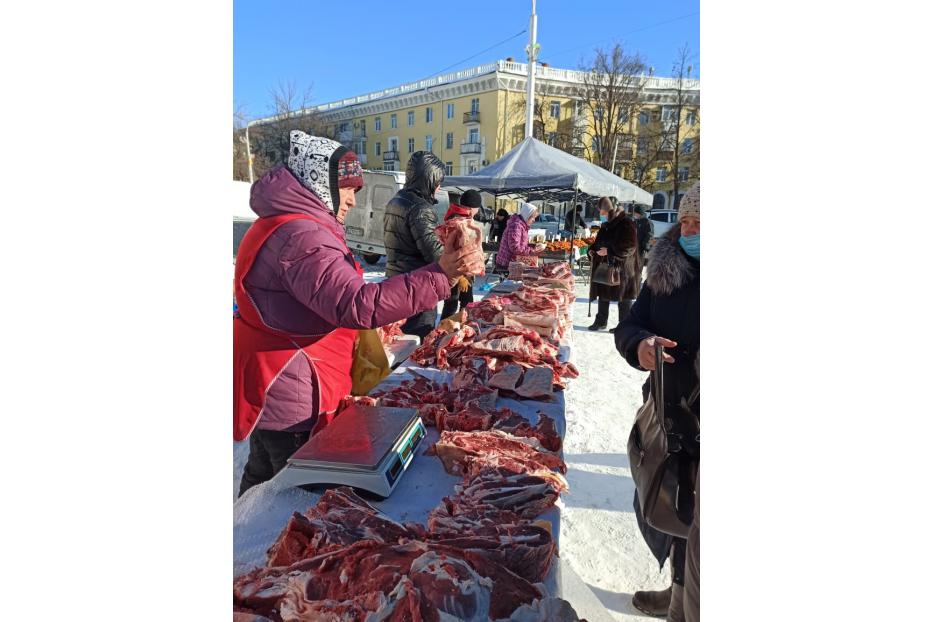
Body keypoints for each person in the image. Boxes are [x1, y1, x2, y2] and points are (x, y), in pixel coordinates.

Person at [234, 132, 484, 496]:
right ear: (319, 185)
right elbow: (358, 305)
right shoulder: (300, 236)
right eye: (346, 188)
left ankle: (242, 544)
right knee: (285, 499)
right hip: (295, 386)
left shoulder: (290, 224)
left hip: (288, 379)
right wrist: (442, 273)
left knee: (262, 481)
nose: (353, 198)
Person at [614, 182, 700, 621]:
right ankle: (678, 592)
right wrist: (640, 345)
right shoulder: (665, 270)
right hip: (667, 412)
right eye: (685, 221)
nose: (688, 230)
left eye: (700, 223)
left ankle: (685, 607)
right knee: (671, 504)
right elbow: (630, 323)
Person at [383, 151, 447, 341]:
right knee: (416, 346)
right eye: (438, 181)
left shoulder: (396, 200)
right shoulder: (421, 208)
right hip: (417, 288)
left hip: (394, 281)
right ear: (429, 179)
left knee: (397, 342)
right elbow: (435, 254)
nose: (439, 187)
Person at [587, 197, 641, 332]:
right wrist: (592, 250)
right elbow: (598, 242)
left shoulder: (626, 223)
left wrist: (609, 251)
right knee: (603, 293)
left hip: (623, 268)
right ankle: (601, 321)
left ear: (611, 210)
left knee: (623, 297)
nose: (601, 215)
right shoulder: (606, 225)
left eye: (603, 212)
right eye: (601, 212)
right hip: (606, 266)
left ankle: (624, 325)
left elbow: (630, 247)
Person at [440, 189, 483, 319]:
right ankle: (444, 332)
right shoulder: (460, 221)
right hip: (458, 271)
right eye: (477, 208)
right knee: (454, 304)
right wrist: (462, 277)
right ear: (472, 207)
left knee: (463, 303)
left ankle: (456, 329)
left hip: (461, 271)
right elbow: (457, 249)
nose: (478, 211)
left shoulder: (457, 216)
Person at [494, 201, 546, 272]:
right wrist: (532, 250)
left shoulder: (522, 225)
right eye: (532, 217)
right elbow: (515, 248)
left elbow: (521, 244)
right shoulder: (516, 226)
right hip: (507, 263)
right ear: (527, 216)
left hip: (512, 262)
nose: (534, 220)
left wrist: (533, 246)